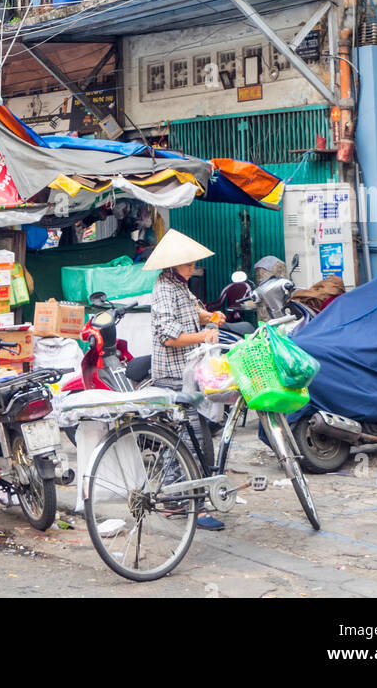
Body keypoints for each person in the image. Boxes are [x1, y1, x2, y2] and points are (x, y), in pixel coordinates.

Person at [143, 227, 224, 530]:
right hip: (174, 375)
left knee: (176, 440)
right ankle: (197, 507)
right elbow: (168, 335)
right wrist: (203, 336)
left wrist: (210, 318)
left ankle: (173, 501)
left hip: (186, 373)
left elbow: (190, 311)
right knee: (195, 441)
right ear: (173, 264)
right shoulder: (164, 288)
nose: (192, 268)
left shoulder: (179, 286)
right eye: (188, 263)